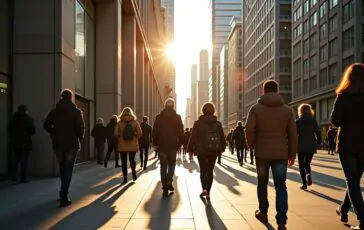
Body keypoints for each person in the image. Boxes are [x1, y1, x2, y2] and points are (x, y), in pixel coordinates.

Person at [245, 80, 298, 230]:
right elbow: (293, 134)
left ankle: (263, 211)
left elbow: (249, 129)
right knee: (281, 185)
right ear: (277, 91)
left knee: (262, 182)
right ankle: (281, 221)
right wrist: (292, 154)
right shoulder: (287, 111)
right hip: (281, 153)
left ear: (263, 91)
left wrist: (252, 145)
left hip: (261, 152)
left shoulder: (255, 109)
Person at [331, 63, 364, 230]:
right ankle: (343, 209)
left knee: (352, 181)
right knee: (354, 181)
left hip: (348, 143)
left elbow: (334, 121)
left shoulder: (343, 96)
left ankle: (363, 219)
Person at [44, 89, 85, 207]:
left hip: (58, 144)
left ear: (61, 97)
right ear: (71, 97)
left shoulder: (54, 112)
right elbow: (80, 127)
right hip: (71, 144)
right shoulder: (76, 111)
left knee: (62, 167)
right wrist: (79, 138)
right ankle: (64, 195)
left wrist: (53, 132)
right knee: (68, 169)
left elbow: (46, 124)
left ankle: (63, 191)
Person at [187, 102, 226, 200]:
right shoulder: (217, 123)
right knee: (210, 170)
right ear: (213, 111)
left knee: (203, 170)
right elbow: (222, 137)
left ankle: (204, 188)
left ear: (203, 110)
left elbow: (193, 137)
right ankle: (208, 192)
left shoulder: (198, 123)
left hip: (201, 150)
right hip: (214, 150)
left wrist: (190, 149)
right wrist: (223, 148)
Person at [153, 98, 184, 197]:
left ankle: (165, 187)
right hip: (173, 144)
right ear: (173, 106)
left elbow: (155, 131)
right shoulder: (177, 117)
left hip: (162, 145)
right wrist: (180, 143)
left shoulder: (159, 117)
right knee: (172, 164)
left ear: (165, 106)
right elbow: (181, 131)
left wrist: (155, 144)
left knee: (163, 166)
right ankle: (169, 181)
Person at [295, 103, 322, 190]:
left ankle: (304, 184)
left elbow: (295, 134)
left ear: (300, 111)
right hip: (311, 145)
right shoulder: (313, 121)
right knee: (307, 163)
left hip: (301, 145)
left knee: (301, 165)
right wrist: (319, 143)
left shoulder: (298, 121)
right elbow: (318, 133)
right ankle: (308, 174)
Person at [114, 107, 142, 184]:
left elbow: (115, 134)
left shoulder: (119, 123)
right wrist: (135, 136)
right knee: (132, 160)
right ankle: (133, 174)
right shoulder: (135, 122)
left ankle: (125, 178)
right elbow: (140, 133)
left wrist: (120, 135)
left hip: (122, 145)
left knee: (123, 162)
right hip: (133, 145)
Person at [9, 105, 36, 183]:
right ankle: (23, 178)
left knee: (15, 160)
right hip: (25, 143)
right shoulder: (28, 119)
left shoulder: (12, 119)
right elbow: (33, 130)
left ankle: (13, 176)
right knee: (24, 161)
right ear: (25, 110)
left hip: (15, 143)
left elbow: (9, 130)